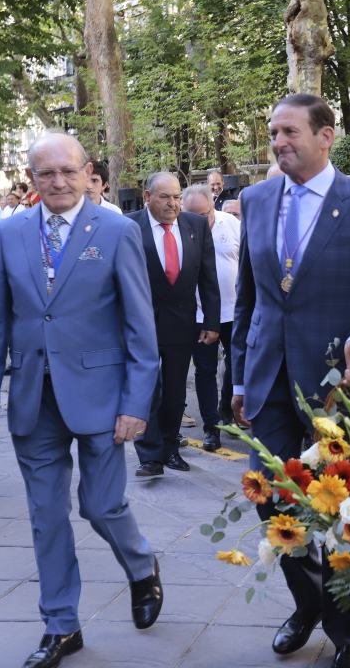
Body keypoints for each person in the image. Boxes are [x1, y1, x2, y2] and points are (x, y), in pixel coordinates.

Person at [0, 134, 164, 668]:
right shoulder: (9, 233)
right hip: (34, 399)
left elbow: (140, 330)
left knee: (101, 506)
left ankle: (142, 565)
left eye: (67, 172)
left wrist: (136, 404)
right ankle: (61, 626)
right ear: (30, 179)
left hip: (102, 398)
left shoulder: (119, 230)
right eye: (45, 173)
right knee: (45, 516)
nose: (58, 182)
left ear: (87, 172)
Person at [230, 94, 350, 668]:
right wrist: (239, 378)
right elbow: (251, 300)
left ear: (326, 136)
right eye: (272, 132)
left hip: (335, 390)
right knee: (272, 505)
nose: (278, 142)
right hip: (267, 382)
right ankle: (309, 604)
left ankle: (347, 633)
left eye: (289, 132)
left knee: (339, 512)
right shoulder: (254, 201)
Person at [129, 172, 220, 476]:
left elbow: (209, 277)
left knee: (175, 392)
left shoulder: (195, 226)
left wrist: (211, 320)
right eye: (165, 197)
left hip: (182, 323)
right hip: (140, 323)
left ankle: (169, 449)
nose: (173, 204)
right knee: (146, 389)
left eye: (177, 197)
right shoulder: (130, 227)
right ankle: (150, 454)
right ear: (147, 197)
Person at [181, 184, 241, 447]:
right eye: (190, 214)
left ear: (212, 207)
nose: (197, 221)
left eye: (202, 214)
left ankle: (227, 409)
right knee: (204, 370)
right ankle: (212, 426)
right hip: (198, 314)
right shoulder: (178, 229)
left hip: (233, 310)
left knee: (237, 364)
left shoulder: (232, 224)